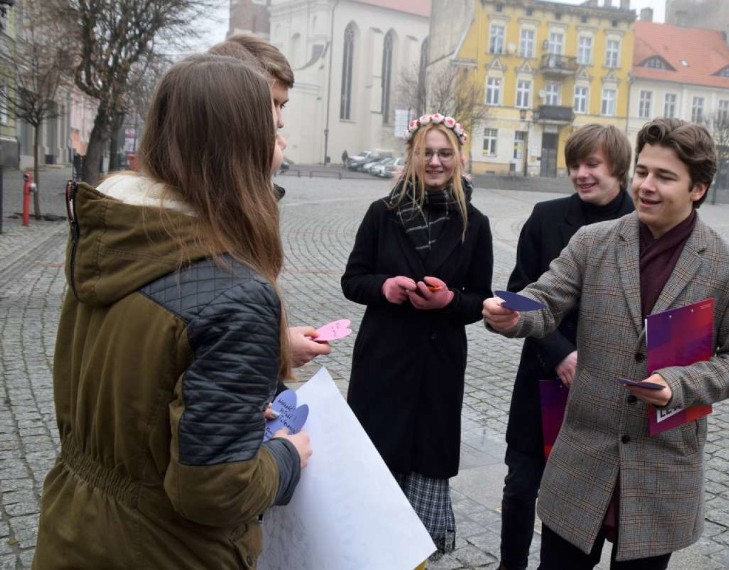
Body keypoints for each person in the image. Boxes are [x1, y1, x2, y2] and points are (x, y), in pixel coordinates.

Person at [33, 55, 311, 568]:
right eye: (271, 130)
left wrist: (229, 413)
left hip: (74, 530)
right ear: (242, 145)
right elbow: (215, 492)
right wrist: (288, 457)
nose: (281, 145)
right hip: (164, 549)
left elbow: (139, 389)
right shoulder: (236, 292)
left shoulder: (111, 240)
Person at [483, 117, 729, 569]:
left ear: (698, 188)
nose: (646, 186)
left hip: (662, 465)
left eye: (665, 177)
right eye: (643, 172)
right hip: (583, 457)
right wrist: (514, 312)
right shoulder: (593, 242)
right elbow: (547, 299)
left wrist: (679, 385)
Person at [341, 113, 493, 559]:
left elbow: (480, 299)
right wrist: (385, 287)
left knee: (424, 464)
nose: (435, 161)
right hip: (383, 363)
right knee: (376, 463)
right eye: (426, 152)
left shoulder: (475, 224)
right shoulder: (382, 213)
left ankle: (415, 557)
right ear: (411, 156)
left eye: (444, 153)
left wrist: (449, 302)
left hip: (437, 367)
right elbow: (353, 280)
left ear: (458, 158)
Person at [498, 124, 635, 570]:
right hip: (541, 375)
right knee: (521, 485)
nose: (580, 174)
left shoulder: (642, 221)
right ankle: (511, 564)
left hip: (607, 392)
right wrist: (559, 352)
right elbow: (520, 293)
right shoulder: (545, 217)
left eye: (591, 164)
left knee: (588, 495)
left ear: (617, 166)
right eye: (574, 164)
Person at [209, 33, 331, 371]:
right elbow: (204, 353)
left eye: (283, 105)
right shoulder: (206, 213)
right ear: (235, 104)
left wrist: (274, 343)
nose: (280, 120)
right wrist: (273, 351)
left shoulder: (233, 200)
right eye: (272, 103)